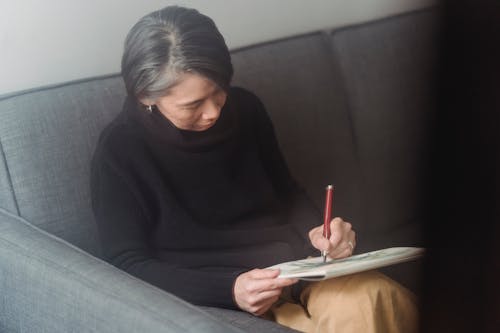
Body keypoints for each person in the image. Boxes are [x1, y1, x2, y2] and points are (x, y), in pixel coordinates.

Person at [91, 6, 418, 332]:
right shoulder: (119, 151)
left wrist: (319, 233)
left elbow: (287, 194)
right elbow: (126, 263)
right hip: (218, 292)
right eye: (192, 105)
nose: (212, 113)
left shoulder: (246, 108)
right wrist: (229, 289)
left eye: (219, 91)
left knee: (375, 298)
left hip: (295, 268)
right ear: (146, 95)